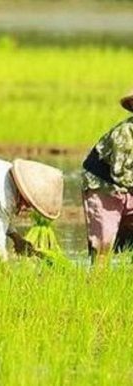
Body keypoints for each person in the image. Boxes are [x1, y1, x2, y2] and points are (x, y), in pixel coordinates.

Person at [82, 90, 133, 266]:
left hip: (129, 188)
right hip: (103, 186)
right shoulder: (124, 134)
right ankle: (97, 284)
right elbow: (120, 174)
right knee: (103, 244)